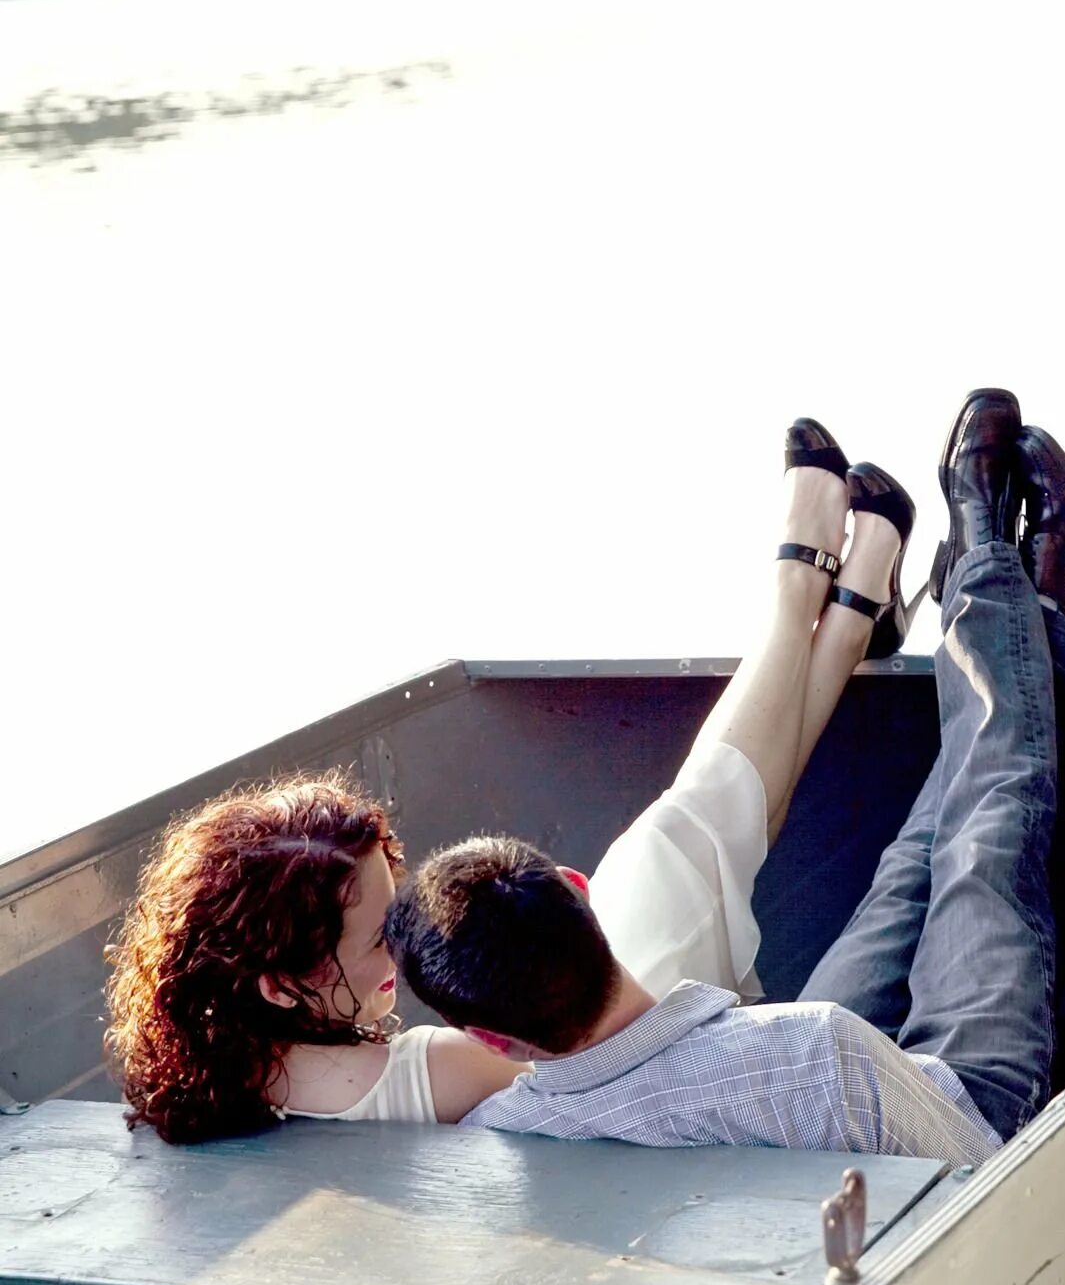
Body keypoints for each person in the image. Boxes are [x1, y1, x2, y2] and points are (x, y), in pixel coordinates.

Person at [104, 421, 916, 1143]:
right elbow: (576, 1059)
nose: (414, 931)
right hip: (624, 1078)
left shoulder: (213, 1073)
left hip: (586, 1073)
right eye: (387, 934)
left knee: (684, 844)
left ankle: (835, 616)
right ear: (283, 985)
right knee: (669, 850)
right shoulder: (437, 1073)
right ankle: (813, 603)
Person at [387, 392, 1065, 1165]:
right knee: (984, 854)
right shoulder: (816, 1049)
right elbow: (968, 1156)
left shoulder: (498, 1139)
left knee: (909, 869)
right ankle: (1002, 576)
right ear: (580, 890)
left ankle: (1043, 609)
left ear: (491, 1040)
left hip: (813, 1088)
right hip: (963, 1110)